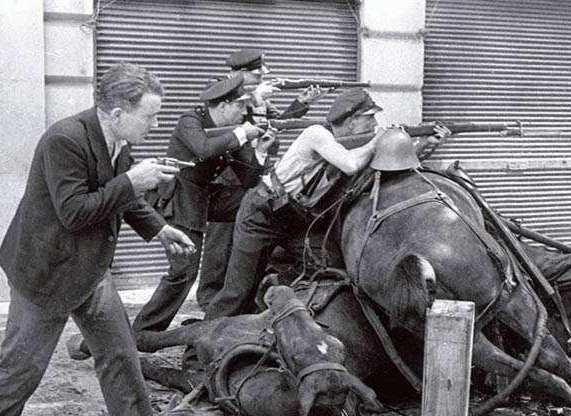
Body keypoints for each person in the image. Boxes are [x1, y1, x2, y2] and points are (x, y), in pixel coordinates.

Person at [0, 62, 193, 416]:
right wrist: (133, 181)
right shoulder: (64, 139)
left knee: (120, 353)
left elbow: (124, 197)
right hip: (45, 271)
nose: (155, 125)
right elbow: (73, 211)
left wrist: (160, 229)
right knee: (21, 368)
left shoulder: (116, 140)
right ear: (118, 113)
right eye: (150, 116)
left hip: (90, 270)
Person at [206, 88, 449, 319]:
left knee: (330, 268)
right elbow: (351, 165)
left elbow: (386, 171)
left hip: (296, 220)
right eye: (370, 119)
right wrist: (377, 141)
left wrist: (423, 145)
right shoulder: (317, 134)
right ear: (353, 119)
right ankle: (196, 356)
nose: (375, 125)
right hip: (262, 213)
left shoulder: (355, 147)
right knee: (237, 291)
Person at [126, 75, 276, 350]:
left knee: (252, 199)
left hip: (206, 197)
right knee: (183, 272)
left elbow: (246, 178)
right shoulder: (190, 122)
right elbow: (203, 149)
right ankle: (144, 330)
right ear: (223, 105)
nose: (245, 113)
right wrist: (243, 133)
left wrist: (261, 153)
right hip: (181, 199)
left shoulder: (232, 130)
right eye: (240, 106)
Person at [196, 48, 323, 308]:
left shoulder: (258, 96)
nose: (263, 75)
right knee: (221, 244)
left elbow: (276, 122)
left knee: (245, 243)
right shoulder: (219, 90)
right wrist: (254, 98)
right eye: (256, 73)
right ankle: (210, 299)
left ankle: (241, 299)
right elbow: (215, 131)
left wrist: (301, 102)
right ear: (238, 73)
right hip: (228, 176)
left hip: (255, 172)